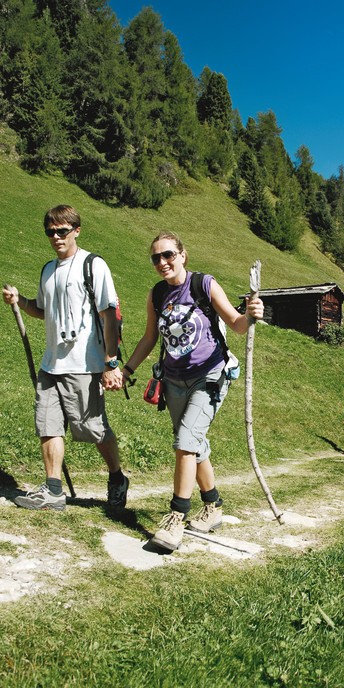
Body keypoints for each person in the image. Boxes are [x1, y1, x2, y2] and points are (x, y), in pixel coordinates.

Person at [119, 232, 263, 552]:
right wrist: (127, 369)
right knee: (194, 445)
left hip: (210, 376)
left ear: (183, 254)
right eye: (156, 257)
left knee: (185, 442)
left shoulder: (204, 285)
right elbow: (148, 339)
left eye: (168, 255)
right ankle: (212, 507)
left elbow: (236, 323)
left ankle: (176, 518)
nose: (162, 262)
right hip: (173, 381)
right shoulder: (157, 295)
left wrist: (250, 316)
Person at [3, 205, 129, 512]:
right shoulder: (48, 270)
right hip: (51, 363)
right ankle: (53, 490)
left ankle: (117, 478)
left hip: (85, 365)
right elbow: (43, 310)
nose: (56, 237)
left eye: (62, 230)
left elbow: (109, 314)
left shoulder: (93, 265)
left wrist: (111, 361)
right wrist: (20, 301)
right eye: (51, 231)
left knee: (93, 429)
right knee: (47, 424)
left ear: (76, 230)